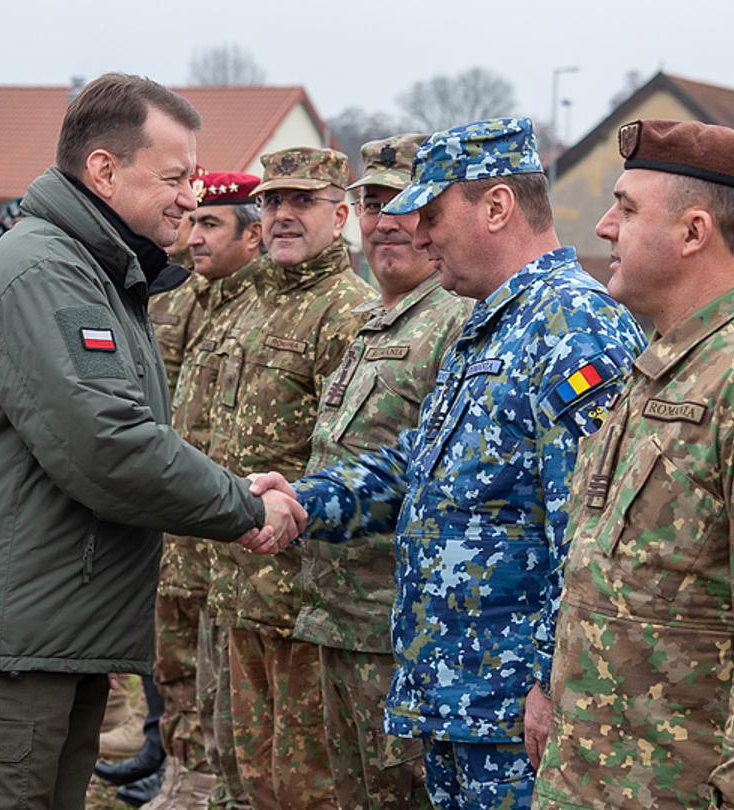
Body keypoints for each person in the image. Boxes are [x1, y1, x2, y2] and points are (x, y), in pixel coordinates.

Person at [0, 72, 304, 810]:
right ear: (105, 171)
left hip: (46, 633)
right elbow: (108, 447)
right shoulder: (44, 274)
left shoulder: (94, 274)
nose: (191, 196)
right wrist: (245, 508)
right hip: (9, 645)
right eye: (176, 177)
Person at [251, 118, 647, 809]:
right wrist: (310, 500)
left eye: (432, 214)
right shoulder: (491, 323)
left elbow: (589, 532)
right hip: (461, 699)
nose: (418, 234)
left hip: (515, 714)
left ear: (497, 207)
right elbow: (423, 463)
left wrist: (556, 685)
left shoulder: (572, 327)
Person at [530, 119, 734, 808]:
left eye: (627, 208)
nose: (606, 228)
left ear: (693, 232)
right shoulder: (665, 365)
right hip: (590, 779)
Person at [189, 146, 374, 810]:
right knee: (246, 775)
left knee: (305, 786)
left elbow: (349, 460)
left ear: (341, 215)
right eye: (272, 202)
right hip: (238, 581)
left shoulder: (348, 311)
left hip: (300, 595)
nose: (284, 216)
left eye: (303, 202)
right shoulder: (250, 302)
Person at [290, 133, 469, 810]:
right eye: (370, 201)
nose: (384, 220)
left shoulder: (456, 323)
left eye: (402, 202)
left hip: (398, 633)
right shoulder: (376, 323)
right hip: (340, 619)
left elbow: (424, 469)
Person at [130, 171, 267, 810]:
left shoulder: (259, 304)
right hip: (183, 517)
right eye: (194, 221)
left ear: (252, 234)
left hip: (239, 522)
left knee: (226, 681)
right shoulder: (189, 300)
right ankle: (181, 772)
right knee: (176, 661)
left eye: (212, 223)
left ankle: (199, 780)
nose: (194, 236)